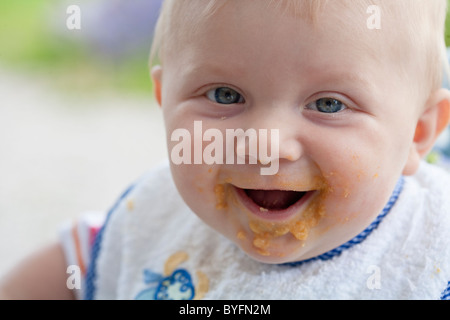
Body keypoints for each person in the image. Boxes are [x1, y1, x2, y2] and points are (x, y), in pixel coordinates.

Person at [1, 0, 450, 300]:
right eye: (223, 96)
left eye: (328, 104)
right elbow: (87, 256)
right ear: (164, 100)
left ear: (417, 132)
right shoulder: (154, 220)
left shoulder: (431, 255)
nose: (265, 146)